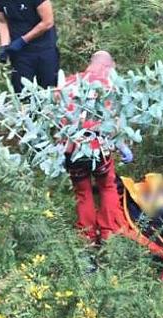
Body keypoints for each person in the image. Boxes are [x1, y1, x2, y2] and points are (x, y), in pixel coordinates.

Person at [59, 51, 131, 246]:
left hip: (73, 147)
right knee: (107, 186)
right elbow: (113, 122)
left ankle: (87, 237)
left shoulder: (68, 82)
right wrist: (122, 145)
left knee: (82, 192)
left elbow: (57, 116)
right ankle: (109, 232)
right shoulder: (110, 86)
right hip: (99, 147)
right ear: (108, 66)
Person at [0, 0, 59, 93]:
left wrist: (23, 40)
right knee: (23, 93)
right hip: (20, 53)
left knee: (49, 90)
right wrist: (4, 46)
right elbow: (3, 22)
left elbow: (47, 22)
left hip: (44, 48)